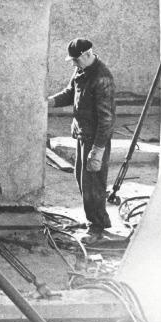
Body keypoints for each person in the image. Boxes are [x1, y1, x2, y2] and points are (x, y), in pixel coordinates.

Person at [48, 38, 116, 245]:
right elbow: (70, 93)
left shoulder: (102, 78)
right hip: (82, 134)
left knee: (94, 183)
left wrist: (98, 150)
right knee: (83, 180)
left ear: (88, 54)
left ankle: (98, 226)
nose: (74, 64)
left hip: (95, 138)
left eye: (76, 60)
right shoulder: (81, 71)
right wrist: (50, 102)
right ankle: (92, 220)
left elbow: (106, 118)